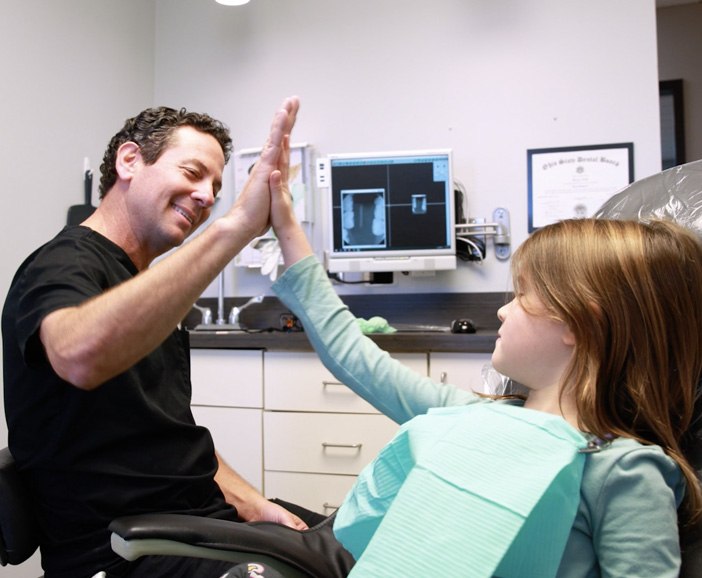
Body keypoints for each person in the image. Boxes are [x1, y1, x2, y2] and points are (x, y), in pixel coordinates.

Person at [268, 145, 702, 576]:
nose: (502, 310)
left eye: (522, 295)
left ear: (578, 322)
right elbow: (355, 355)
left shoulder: (624, 474)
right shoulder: (469, 417)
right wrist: (286, 223)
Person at [2, 97, 325, 578]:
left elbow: (169, 432)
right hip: (124, 552)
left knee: (373, 544)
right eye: (193, 172)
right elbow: (78, 355)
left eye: (216, 187)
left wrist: (251, 503)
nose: (206, 196)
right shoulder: (63, 264)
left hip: (196, 524)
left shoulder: (145, 285)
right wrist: (234, 228)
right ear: (129, 160)